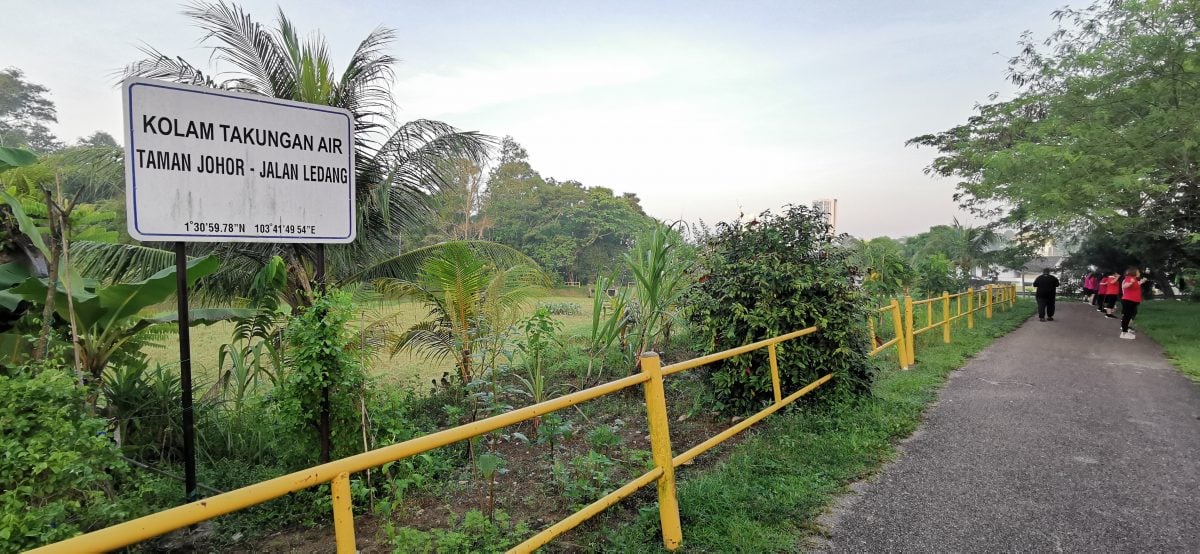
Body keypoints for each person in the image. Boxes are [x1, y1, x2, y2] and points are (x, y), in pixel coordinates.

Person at [1119, 267, 1148, 339]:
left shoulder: (1134, 279)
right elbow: (1124, 286)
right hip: (1128, 300)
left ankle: (1126, 330)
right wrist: (1130, 283)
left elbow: (1135, 286)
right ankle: (1124, 333)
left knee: (1129, 316)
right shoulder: (1129, 278)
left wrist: (1141, 282)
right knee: (1127, 316)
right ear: (1134, 272)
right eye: (1138, 272)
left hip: (1132, 301)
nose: (1139, 273)